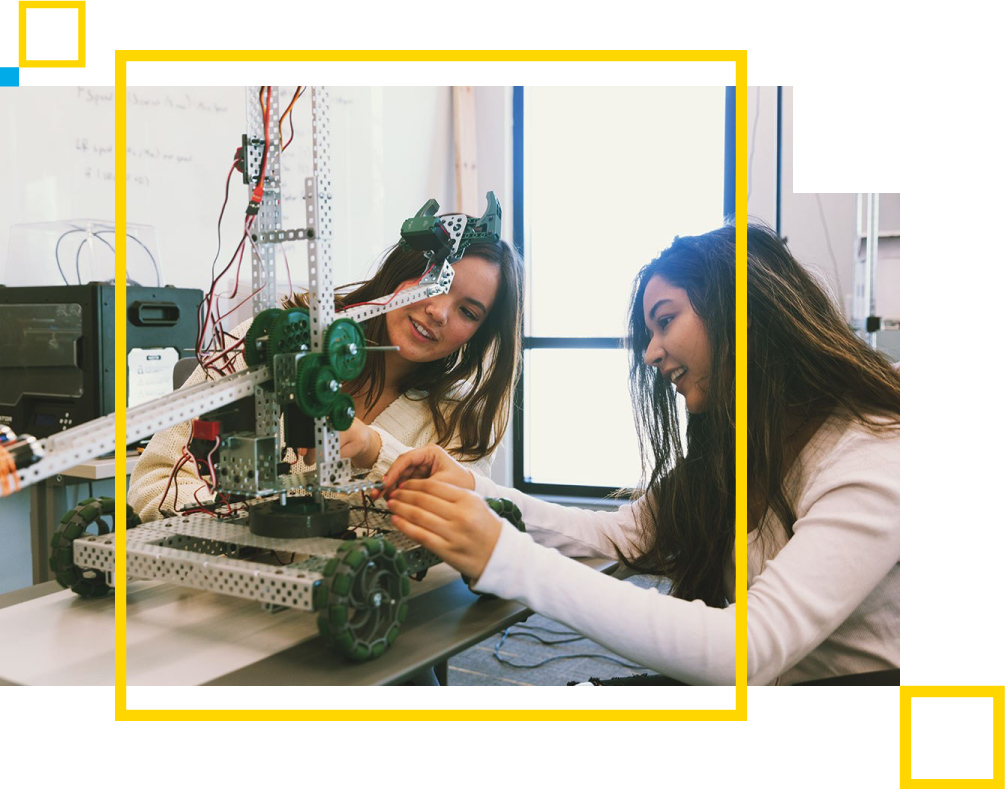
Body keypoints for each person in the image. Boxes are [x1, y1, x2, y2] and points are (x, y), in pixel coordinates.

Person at [380, 222, 900, 686]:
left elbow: (743, 652)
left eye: (665, 321)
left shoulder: (873, 453)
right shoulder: (738, 448)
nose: (650, 352)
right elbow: (619, 537)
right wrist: (475, 489)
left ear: (741, 311)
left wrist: (506, 557)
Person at [127, 236, 524, 522]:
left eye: (468, 312)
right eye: (436, 282)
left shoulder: (460, 419)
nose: (438, 312)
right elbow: (154, 479)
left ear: (479, 335)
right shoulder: (271, 340)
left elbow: (447, 530)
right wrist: (245, 522)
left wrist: (374, 451)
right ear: (404, 269)